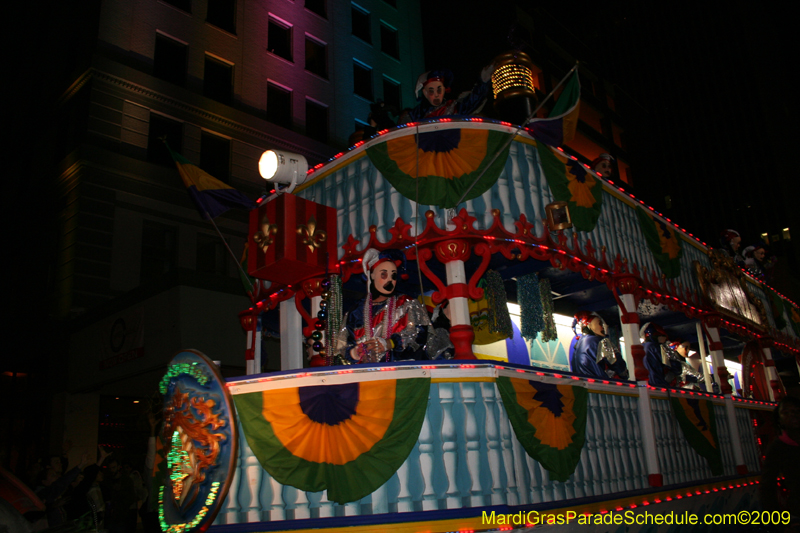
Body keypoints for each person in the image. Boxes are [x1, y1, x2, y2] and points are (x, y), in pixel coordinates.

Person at [343, 249, 434, 363]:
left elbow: (420, 336)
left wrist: (391, 343)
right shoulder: (356, 312)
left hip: (402, 372)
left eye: (393, 276)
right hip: (367, 375)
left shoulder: (407, 303)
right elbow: (342, 347)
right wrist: (355, 353)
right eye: (384, 275)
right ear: (372, 275)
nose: (389, 280)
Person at [760, 396, 800, 530]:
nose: (792, 416)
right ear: (780, 418)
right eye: (786, 412)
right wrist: (776, 520)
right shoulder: (778, 447)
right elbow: (767, 485)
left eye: (795, 411)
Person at [404, 65, 494, 122]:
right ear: (425, 93)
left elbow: (472, 101)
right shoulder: (416, 114)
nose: (436, 94)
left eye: (439, 90)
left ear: (444, 90)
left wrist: (483, 82)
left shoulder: (452, 107)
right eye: (431, 91)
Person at [569, 311, 628, 380]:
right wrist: (625, 375)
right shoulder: (602, 341)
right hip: (599, 385)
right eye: (600, 324)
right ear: (589, 326)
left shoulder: (577, 345)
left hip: (582, 385)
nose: (602, 327)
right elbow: (617, 363)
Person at [640, 322, 672, 387]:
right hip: (658, 384)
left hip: (644, 385)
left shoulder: (640, 347)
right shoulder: (657, 347)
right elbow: (674, 365)